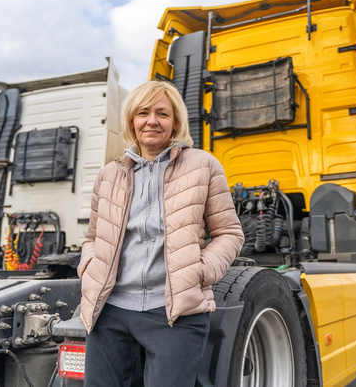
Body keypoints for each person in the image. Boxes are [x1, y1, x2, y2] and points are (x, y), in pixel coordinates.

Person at [78, 80, 244, 387]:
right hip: (110, 312)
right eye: (143, 113)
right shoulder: (109, 174)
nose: (152, 120)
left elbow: (229, 233)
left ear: (176, 122)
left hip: (174, 314)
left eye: (162, 113)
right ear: (132, 121)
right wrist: (89, 267)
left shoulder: (203, 165)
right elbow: (92, 237)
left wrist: (198, 271)